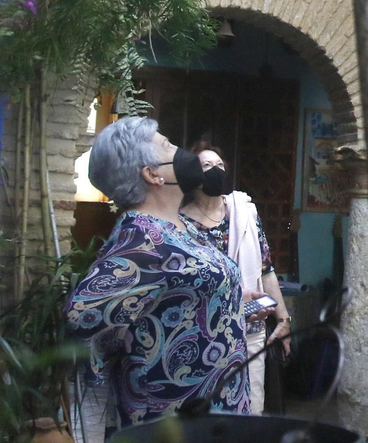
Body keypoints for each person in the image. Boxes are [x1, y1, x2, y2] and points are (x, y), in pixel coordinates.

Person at [64, 117, 250, 427]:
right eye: (166, 145)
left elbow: (176, 293)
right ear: (152, 174)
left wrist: (225, 301)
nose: (180, 150)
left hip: (217, 416)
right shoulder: (142, 238)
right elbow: (82, 315)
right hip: (173, 428)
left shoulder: (181, 227)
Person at [179, 140, 291, 416]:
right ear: (193, 176)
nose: (215, 170)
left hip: (250, 332)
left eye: (219, 165)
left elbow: (266, 270)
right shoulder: (178, 222)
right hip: (202, 335)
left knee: (251, 411)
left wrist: (283, 320)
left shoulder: (244, 213)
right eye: (206, 166)